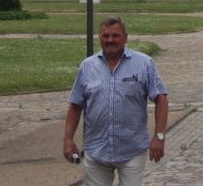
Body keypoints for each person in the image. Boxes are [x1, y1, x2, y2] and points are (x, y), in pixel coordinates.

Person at [64, 17, 168, 186]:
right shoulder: (87, 66)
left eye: (115, 36)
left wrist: (159, 136)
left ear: (125, 37)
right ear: (99, 38)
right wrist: (68, 139)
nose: (110, 40)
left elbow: (161, 98)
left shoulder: (143, 64)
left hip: (132, 148)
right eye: (105, 36)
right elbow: (76, 104)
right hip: (96, 148)